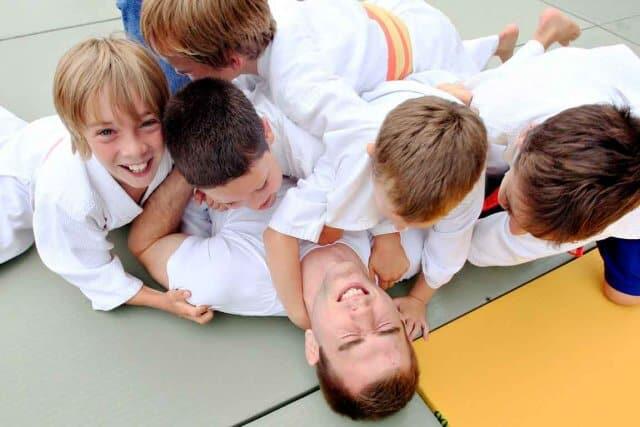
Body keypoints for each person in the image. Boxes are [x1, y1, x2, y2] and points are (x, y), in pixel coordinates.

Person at [138, 0, 520, 235]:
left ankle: (496, 54)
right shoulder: (261, 16)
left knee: (462, 87)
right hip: (387, 20)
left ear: (233, 62)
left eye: (185, 70)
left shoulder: (298, 85)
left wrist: (336, 222)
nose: (184, 77)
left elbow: (360, 138)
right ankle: (493, 44)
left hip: (420, 51)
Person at [128, 170, 427, 420]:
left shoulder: (228, 278)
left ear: (313, 345)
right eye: (386, 328)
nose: (363, 312)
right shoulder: (403, 254)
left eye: (350, 338)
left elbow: (145, 244)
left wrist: (198, 165)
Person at [0, 37, 211, 323]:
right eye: (107, 133)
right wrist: (163, 300)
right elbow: (88, 269)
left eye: (148, 123)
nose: (135, 149)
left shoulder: (172, 141)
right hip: (17, 184)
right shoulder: (67, 197)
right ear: (78, 132)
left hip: (40, 139)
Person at [449, 44, 640, 305]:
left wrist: (448, 250)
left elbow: (491, 247)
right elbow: (442, 100)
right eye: (511, 207)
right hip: (593, 74)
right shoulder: (500, 105)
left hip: (630, 210)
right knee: (475, 157)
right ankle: (546, 36)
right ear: (525, 136)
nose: (516, 230)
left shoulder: (624, 218)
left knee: (624, 297)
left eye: (534, 232)